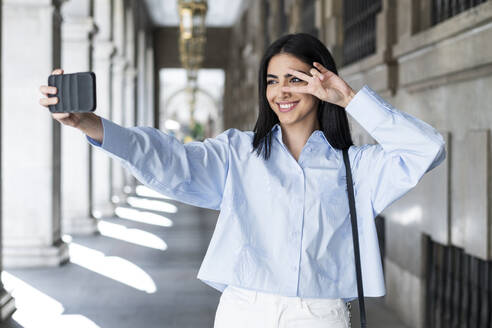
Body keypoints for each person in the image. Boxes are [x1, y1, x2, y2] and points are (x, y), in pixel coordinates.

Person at [39, 33, 446, 328]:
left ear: (320, 82)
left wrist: (350, 98)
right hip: (244, 311)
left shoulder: (357, 167)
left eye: (295, 79)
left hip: (320, 314)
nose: (281, 92)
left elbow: (426, 148)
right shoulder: (239, 153)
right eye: (272, 81)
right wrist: (92, 125)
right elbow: (171, 159)